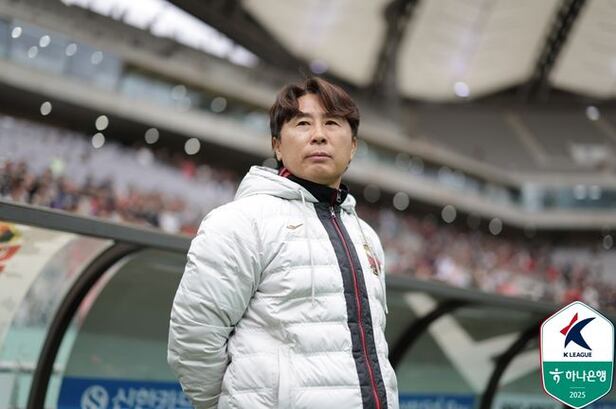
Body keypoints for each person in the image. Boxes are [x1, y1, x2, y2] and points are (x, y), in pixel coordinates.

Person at [168, 77, 399, 409]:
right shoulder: (239, 222)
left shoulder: (366, 236)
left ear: (353, 147)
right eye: (303, 123)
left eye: (332, 123)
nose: (318, 134)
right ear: (277, 145)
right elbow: (193, 338)